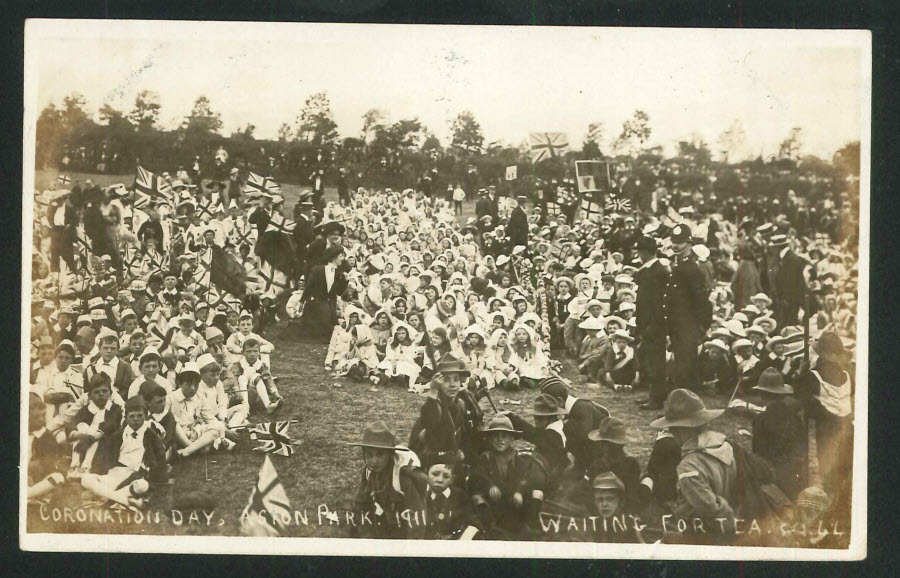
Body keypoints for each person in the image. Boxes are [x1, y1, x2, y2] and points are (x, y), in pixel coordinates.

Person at [650, 389, 738, 537]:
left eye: (673, 430)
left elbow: (710, 508)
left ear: (682, 430)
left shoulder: (689, 466)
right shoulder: (724, 446)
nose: (673, 434)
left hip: (700, 533)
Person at [81, 395, 166, 509]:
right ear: (125, 417)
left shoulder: (151, 436)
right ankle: (122, 500)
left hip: (136, 476)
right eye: (131, 416)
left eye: (139, 416)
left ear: (145, 416)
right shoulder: (117, 436)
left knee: (142, 485)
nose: (135, 419)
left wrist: (155, 480)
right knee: (86, 479)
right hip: (115, 474)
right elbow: (105, 458)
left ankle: (106, 499)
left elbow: (160, 460)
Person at [349, 421, 427, 539]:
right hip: (386, 524)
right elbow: (360, 505)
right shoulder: (368, 472)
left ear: (390, 454)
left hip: (406, 530)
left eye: (380, 455)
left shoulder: (403, 478)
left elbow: (417, 519)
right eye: (369, 455)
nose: (374, 461)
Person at [665, 224, 712, 393]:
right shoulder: (678, 266)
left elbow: (702, 301)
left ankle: (684, 407)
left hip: (688, 326)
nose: (675, 246)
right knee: (682, 365)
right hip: (678, 325)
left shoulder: (692, 269)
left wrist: (702, 326)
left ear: (690, 245)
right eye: (673, 242)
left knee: (685, 368)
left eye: (680, 242)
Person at [470, 414, 527, 538]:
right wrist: (490, 485)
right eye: (496, 436)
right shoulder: (485, 458)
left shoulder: (517, 459)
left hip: (509, 500)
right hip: (491, 501)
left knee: (522, 509)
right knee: (477, 500)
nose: (500, 439)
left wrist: (518, 491)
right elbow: (478, 474)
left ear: (512, 439)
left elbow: (522, 477)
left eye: (505, 436)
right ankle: (488, 527)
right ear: (489, 438)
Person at [632, 235, 669, 410]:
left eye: (640, 251)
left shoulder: (657, 271)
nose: (639, 254)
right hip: (648, 321)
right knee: (651, 359)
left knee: (656, 361)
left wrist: (650, 325)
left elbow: (656, 302)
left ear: (647, 252)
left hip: (654, 323)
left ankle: (657, 398)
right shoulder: (649, 270)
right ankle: (655, 394)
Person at [586, 417, 642, 514]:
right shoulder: (597, 464)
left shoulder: (630, 465)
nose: (603, 446)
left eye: (607, 443)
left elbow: (632, 498)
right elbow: (589, 493)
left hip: (623, 513)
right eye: (603, 443)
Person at [296, 244, 349, 342]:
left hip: (330, 305)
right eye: (341, 256)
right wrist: (301, 301)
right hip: (317, 302)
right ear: (334, 256)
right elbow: (309, 286)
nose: (343, 258)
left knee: (331, 328)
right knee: (325, 329)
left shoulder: (339, 273)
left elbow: (339, 292)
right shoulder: (318, 269)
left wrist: (345, 281)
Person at [421, 451, 474, 539]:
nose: (440, 480)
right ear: (426, 473)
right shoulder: (421, 496)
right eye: (435, 474)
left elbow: (471, 523)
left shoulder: (460, 497)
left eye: (446, 476)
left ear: (452, 479)